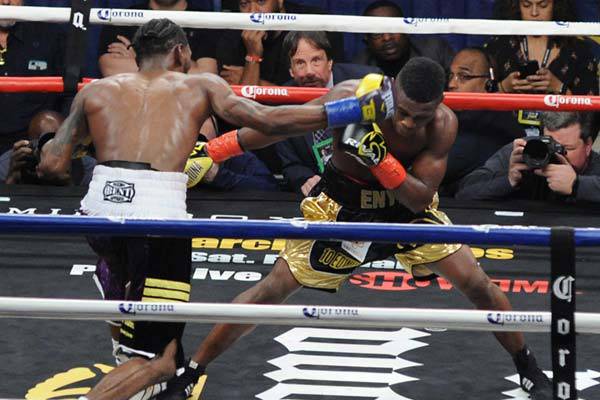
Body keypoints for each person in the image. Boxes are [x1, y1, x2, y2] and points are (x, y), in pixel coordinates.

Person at [37, 18, 394, 400]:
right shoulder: (199, 85)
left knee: (135, 315)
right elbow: (268, 120)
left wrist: (59, 143)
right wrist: (347, 111)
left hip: (100, 213)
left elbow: (52, 165)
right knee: (162, 360)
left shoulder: (96, 90)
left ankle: (127, 328)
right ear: (180, 51)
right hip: (155, 215)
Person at [160, 58, 552, 400]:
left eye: (420, 116)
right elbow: (281, 126)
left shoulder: (442, 125)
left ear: (437, 106)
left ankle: (528, 366)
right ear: (392, 89)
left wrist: (379, 159)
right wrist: (216, 150)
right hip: (340, 206)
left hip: (403, 212)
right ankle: (193, 370)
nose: (408, 122)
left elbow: (418, 199)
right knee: (270, 290)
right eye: (404, 111)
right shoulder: (352, 97)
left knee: (478, 284)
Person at [275, 31, 381, 195]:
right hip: (322, 194)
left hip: (369, 185)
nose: (309, 71)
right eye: (300, 63)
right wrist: (305, 179)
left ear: (330, 62)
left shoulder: (365, 81)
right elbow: (291, 165)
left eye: (316, 60)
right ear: (291, 70)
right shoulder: (283, 101)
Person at [456, 111, 600, 203]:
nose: (557, 154)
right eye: (550, 145)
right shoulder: (526, 151)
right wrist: (508, 180)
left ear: (588, 146)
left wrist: (577, 185)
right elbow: (464, 192)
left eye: (566, 149)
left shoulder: (596, 166)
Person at [441, 47, 525, 194]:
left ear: (488, 84)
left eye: (464, 76)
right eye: (450, 75)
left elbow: (444, 167)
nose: (451, 84)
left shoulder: (495, 123)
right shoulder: (455, 114)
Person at [216, 0, 345, 86]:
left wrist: (257, 81)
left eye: (261, 1)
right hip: (259, 116)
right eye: (244, 4)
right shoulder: (232, 35)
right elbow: (243, 108)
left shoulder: (314, 22)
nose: (252, 12)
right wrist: (253, 56)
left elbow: (325, 88)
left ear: (280, 1)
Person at [486, 0, 598, 96]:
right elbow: (480, 103)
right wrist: (503, 87)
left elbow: (591, 109)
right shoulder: (499, 45)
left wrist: (559, 88)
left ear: (556, 5)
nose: (534, 13)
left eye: (543, 5)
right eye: (526, 5)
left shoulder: (578, 50)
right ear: (517, 6)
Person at [0, 0, 68, 153]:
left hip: (36, 147)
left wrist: (53, 143)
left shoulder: (51, 36)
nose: (6, 1)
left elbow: (71, 94)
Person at [97, 0, 218, 77]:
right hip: (133, 104)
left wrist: (141, 57)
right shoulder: (122, 18)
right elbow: (110, 69)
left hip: (186, 105)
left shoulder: (206, 21)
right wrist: (179, 61)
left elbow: (206, 76)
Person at [352, 0, 454, 78]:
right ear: (367, 40)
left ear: (407, 30)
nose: (387, 37)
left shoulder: (435, 51)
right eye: (376, 33)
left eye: (393, 28)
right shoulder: (358, 68)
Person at [0, 110, 95, 185]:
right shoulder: (13, 160)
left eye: (58, 140)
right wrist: (11, 177)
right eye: (44, 141)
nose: (50, 148)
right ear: (30, 144)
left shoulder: (86, 166)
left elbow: (91, 202)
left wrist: (68, 182)